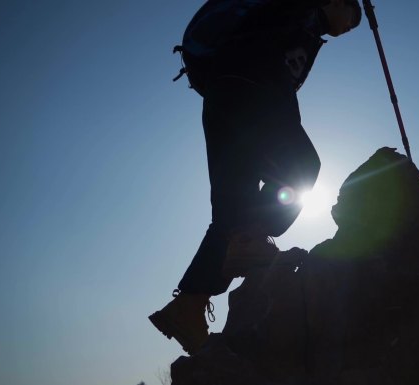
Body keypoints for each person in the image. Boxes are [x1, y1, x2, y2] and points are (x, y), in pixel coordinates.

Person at [149, 0, 362, 355]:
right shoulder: (301, 11)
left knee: (232, 215)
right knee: (302, 167)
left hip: (222, 96)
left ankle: (188, 305)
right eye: (351, 17)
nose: (350, 27)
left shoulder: (304, 29)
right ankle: (249, 239)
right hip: (253, 91)